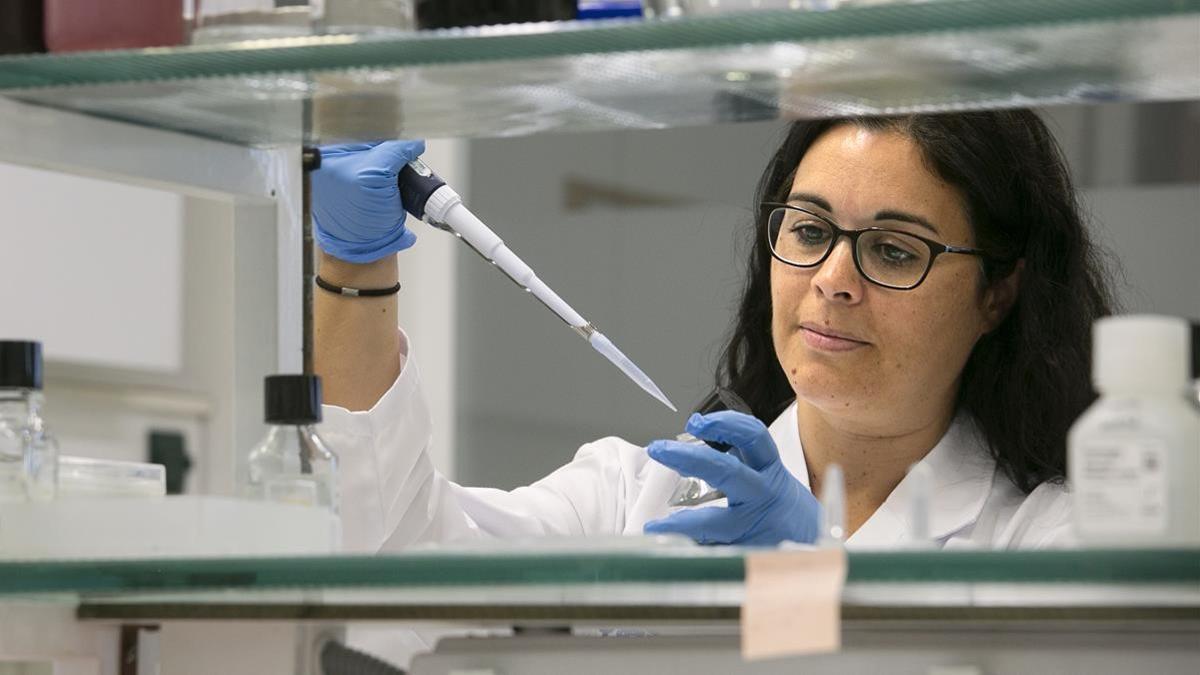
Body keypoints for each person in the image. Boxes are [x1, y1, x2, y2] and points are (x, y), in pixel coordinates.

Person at [312, 111, 1115, 553]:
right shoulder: (640, 497)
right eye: (807, 231)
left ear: (998, 292)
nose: (833, 278)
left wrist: (812, 566)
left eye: (894, 250)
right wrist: (353, 268)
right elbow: (396, 548)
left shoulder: (1053, 539)